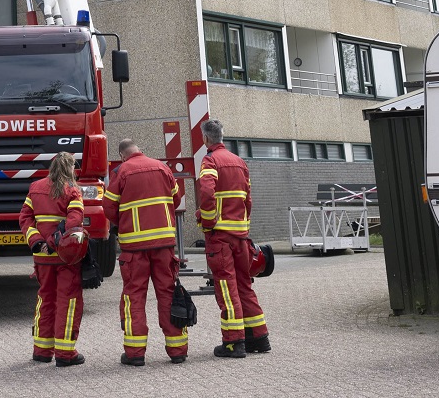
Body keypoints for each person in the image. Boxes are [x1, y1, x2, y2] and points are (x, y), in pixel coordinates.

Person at [101, 138, 186, 365]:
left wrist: (125, 221)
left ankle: (135, 354)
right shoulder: (162, 167)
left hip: (134, 248)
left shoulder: (122, 172)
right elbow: (176, 199)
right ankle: (178, 350)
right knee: (168, 293)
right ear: (141, 150)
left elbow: (108, 207)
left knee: (134, 297)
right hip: (164, 245)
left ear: (122, 155)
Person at [197, 120, 269, 357]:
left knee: (227, 288)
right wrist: (243, 228)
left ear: (206, 139)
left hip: (221, 238)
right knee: (244, 285)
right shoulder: (239, 162)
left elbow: (207, 193)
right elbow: (248, 201)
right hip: (240, 236)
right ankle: (259, 338)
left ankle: (233, 343)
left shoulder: (210, 161)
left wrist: (207, 221)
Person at [19, 151, 89, 367]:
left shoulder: (35, 188)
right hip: (63, 256)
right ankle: (65, 354)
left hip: (41, 258)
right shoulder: (72, 190)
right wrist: (52, 242)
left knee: (45, 299)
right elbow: (74, 221)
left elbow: (25, 218)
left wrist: (37, 242)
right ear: (69, 168)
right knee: (67, 301)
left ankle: (41, 351)